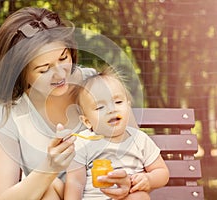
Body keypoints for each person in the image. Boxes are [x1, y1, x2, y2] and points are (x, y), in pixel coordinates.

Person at [0, 7, 133, 200]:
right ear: (21, 73)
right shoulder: (9, 114)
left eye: (63, 58)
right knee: (47, 190)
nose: (60, 74)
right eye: (44, 69)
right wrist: (50, 167)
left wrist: (127, 182)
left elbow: (135, 151)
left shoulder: (97, 85)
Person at [64, 67, 169, 200]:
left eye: (118, 102)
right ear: (87, 121)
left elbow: (162, 172)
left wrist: (149, 179)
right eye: (100, 107)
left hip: (128, 197)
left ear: (128, 106)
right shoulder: (82, 143)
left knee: (140, 197)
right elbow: (75, 182)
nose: (112, 109)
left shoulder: (139, 139)